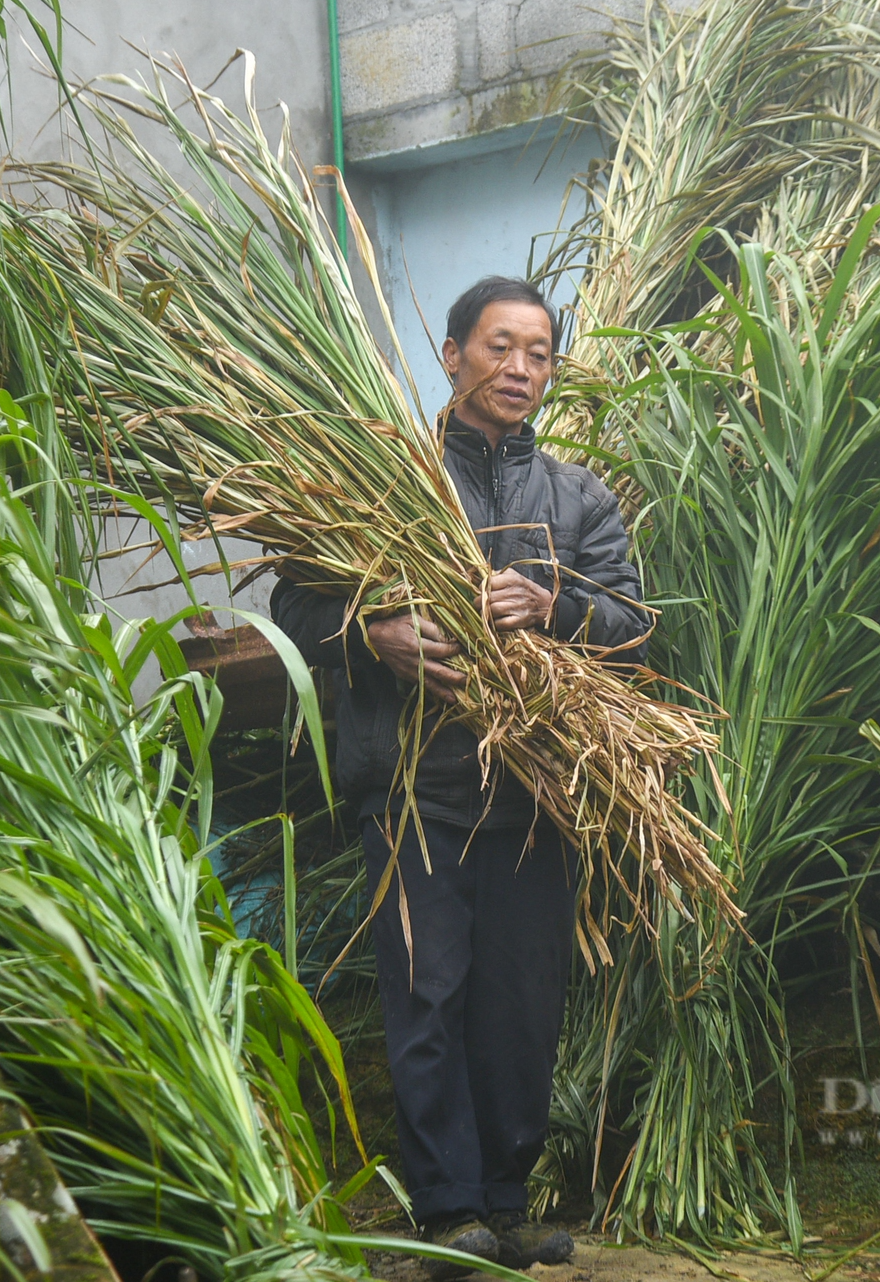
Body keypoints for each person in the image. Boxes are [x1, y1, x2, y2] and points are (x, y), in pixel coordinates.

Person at [271, 276, 649, 1276]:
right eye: (497, 346)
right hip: (413, 788)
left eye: (537, 353)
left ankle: (503, 1203)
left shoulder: (577, 498)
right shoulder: (383, 480)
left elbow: (630, 623)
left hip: (534, 796)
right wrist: (375, 631)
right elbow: (296, 609)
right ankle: (445, 1212)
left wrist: (552, 603)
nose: (518, 367)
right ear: (450, 355)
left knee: (520, 1006)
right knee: (426, 1000)